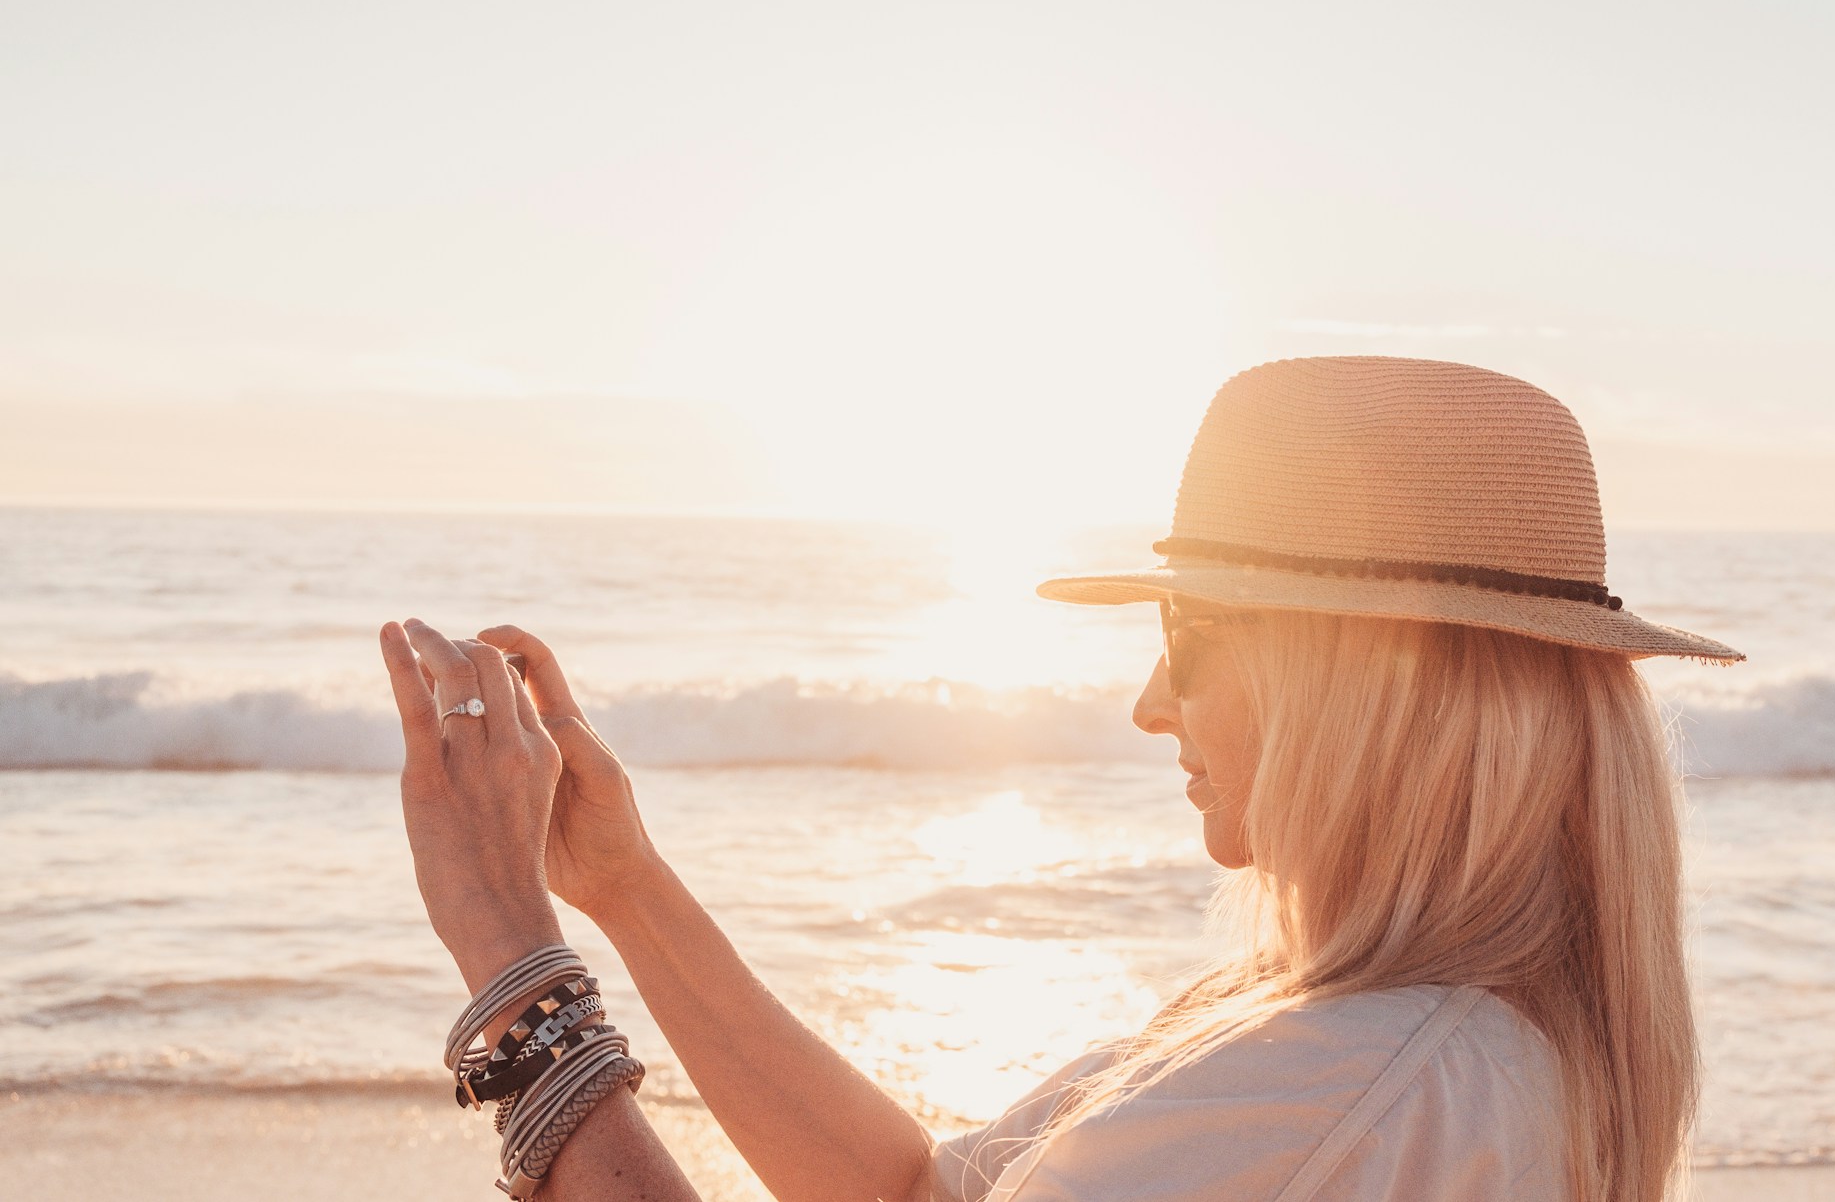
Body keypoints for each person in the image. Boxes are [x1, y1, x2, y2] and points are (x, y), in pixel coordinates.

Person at [381, 355, 1742, 1202]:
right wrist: (626, 885)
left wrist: (512, 956)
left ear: (1363, 681)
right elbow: (919, 1192)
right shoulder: (1422, 1044)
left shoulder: (1345, 1090)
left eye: (1189, 636)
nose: (1154, 702)